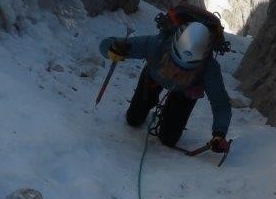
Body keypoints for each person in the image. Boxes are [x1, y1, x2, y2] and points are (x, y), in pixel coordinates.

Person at [98, 22, 232, 153]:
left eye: (186, 69)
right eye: (176, 63)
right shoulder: (158, 44)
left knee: (168, 139)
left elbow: (220, 103)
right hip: (155, 80)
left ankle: (169, 110)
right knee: (133, 119)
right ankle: (157, 106)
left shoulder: (209, 67)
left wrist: (219, 132)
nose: (179, 71)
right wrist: (113, 48)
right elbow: (107, 44)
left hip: (183, 92)